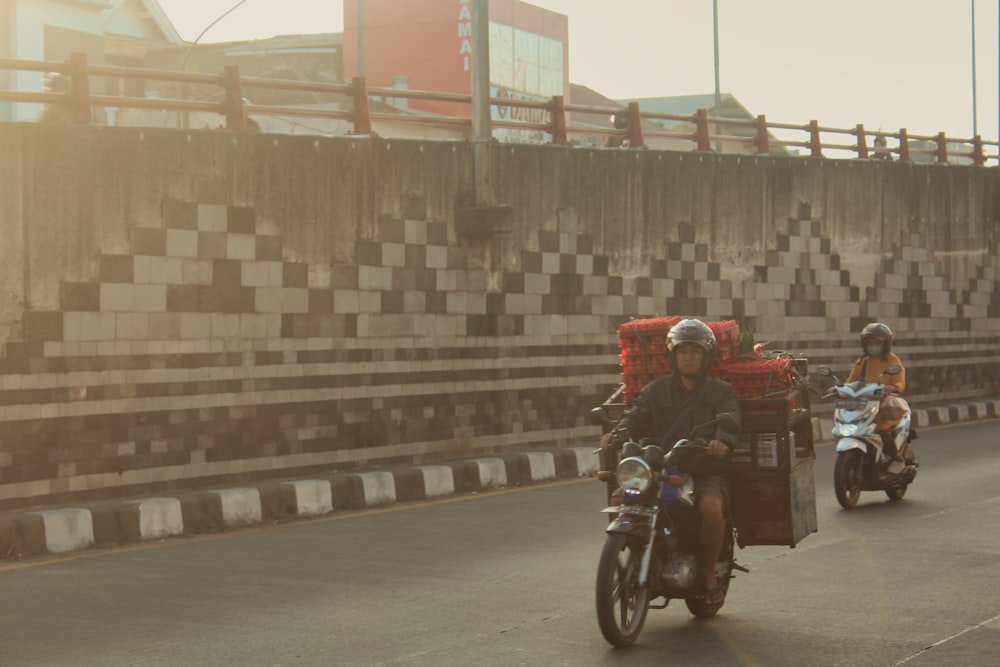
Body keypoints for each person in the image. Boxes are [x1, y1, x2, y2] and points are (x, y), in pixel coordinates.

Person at [602, 318, 742, 606]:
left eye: (694, 351)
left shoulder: (720, 391)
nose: (688, 357)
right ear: (672, 355)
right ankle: (635, 554)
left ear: (705, 356)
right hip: (659, 466)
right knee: (620, 499)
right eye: (682, 351)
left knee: (710, 507)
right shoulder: (656, 390)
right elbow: (636, 414)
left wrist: (721, 441)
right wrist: (619, 432)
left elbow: (731, 420)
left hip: (703, 469)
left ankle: (707, 575)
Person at [845, 322, 907, 472]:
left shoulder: (892, 361)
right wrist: (839, 389)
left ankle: (897, 458)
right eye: (869, 343)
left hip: (883, 406)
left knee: (880, 429)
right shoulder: (861, 362)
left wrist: (893, 387)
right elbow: (850, 381)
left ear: (885, 344)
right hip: (864, 405)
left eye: (877, 342)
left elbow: (899, 381)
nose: (873, 346)